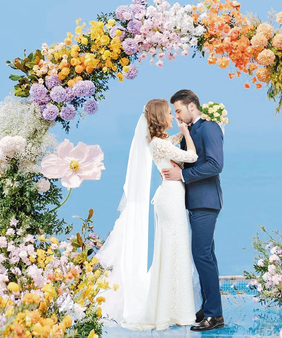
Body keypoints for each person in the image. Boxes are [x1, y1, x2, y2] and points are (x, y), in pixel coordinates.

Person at [96, 99, 202, 330]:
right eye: (169, 114)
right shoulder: (158, 143)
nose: (174, 117)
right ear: (160, 117)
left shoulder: (161, 141)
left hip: (171, 197)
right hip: (170, 198)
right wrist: (187, 133)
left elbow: (174, 143)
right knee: (174, 249)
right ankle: (169, 310)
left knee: (175, 249)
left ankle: (173, 308)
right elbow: (191, 156)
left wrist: (183, 132)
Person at [162, 89, 225, 332]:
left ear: (191, 106)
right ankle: (209, 307)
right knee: (206, 255)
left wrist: (183, 175)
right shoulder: (191, 131)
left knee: (201, 255)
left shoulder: (209, 127)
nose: (176, 116)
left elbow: (216, 164)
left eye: (178, 110)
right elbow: (191, 158)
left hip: (206, 201)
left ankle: (214, 315)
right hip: (196, 201)